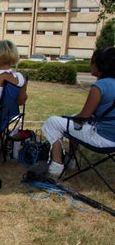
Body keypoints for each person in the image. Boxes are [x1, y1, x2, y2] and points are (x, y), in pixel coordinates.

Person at [42, 47, 115, 176]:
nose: (90, 64)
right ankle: (71, 160)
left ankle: (56, 166)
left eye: (92, 61)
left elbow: (83, 117)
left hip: (103, 139)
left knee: (53, 122)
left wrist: (70, 119)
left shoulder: (100, 86)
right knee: (73, 120)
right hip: (111, 136)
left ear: (101, 65)